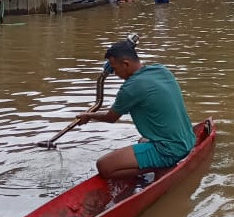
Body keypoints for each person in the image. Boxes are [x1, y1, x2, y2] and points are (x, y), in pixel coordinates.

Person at [77, 40, 196, 179]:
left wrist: (89, 115)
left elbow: (111, 117)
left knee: (104, 166)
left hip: (169, 150)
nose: (115, 74)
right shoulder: (160, 70)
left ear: (126, 64)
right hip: (188, 140)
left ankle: (163, 167)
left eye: (115, 69)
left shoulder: (130, 88)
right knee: (142, 140)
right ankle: (161, 160)